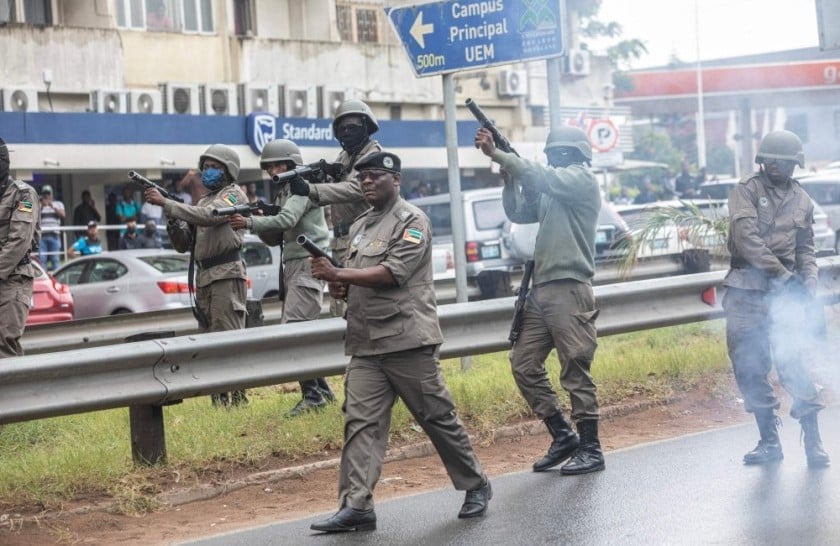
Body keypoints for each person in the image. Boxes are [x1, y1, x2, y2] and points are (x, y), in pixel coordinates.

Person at [308, 152, 491, 533]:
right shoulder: (360, 225)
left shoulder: (411, 221)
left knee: (437, 417)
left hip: (406, 340)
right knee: (360, 424)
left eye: (376, 175)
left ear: (396, 180)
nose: (368, 182)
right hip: (365, 343)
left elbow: (394, 273)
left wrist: (340, 271)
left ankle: (476, 484)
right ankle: (356, 505)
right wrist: (337, 281)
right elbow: (352, 280)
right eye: (363, 177)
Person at [475, 125, 605, 475]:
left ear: (576, 155)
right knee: (523, 363)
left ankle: (591, 447)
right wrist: (508, 179)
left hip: (569, 286)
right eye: (552, 154)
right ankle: (562, 434)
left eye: (559, 153)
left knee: (574, 367)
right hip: (541, 288)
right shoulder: (554, 187)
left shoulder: (581, 181)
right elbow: (520, 212)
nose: (554, 158)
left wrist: (502, 155)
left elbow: (541, 176)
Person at [723, 129, 830, 468]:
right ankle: (769, 441)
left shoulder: (802, 199)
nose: (773, 165)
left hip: (786, 295)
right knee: (750, 366)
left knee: (795, 364)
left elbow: (806, 249)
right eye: (769, 160)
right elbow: (747, 241)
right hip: (747, 290)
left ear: (793, 164)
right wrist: (784, 277)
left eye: (781, 161)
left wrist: (808, 281)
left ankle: (813, 443)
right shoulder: (747, 191)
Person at [228, 139, 335, 416]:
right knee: (298, 332)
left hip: (307, 263)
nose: (273, 169)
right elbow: (275, 234)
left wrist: (250, 221)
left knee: (294, 331)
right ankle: (323, 393)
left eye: (278, 164)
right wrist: (260, 215)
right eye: (270, 166)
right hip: (293, 265)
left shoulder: (301, 187)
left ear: (291, 164)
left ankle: (314, 398)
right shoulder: (285, 191)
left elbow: (287, 220)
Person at [144, 144, 249, 407]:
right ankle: (218, 401)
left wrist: (168, 203)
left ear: (228, 171)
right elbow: (184, 244)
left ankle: (238, 399)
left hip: (226, 275)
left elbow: (211, 217)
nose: (208, 172)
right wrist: (172, 220)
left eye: (215, 167)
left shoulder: (234, 195)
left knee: (228, 338)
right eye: (206, 167)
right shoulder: (202, 201)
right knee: (208, 341)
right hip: (204, 278)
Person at [288, 99, 383, 317]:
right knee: (340, 303)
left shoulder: (371, 153)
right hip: (343, 240)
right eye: (342, 129)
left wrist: (312, 188)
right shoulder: (346, 156)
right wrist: (319, 177)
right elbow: (332, 188)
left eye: (353, 128)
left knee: (357, 302)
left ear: (366, 127)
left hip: (364, 236)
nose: (347, 133)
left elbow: (354, 187)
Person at [0, 137, 41, 358]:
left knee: (4, 343)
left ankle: (15, 392)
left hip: (13, 279)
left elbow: (19, 241)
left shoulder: (23, 194)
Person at [38, 184, 65, 271]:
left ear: (52, 194)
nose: (46, 195)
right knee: (42, 260)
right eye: (44, 194)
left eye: (48, 193)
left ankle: (56, 280)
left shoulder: (58, 204)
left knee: (55, 260)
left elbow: (63, 215)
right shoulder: (38, 204)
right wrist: (42, 206)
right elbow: (33, 215)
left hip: (54, 235)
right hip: (42, 236)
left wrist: (51, 206)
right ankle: (44, 281)